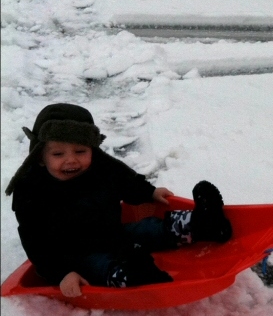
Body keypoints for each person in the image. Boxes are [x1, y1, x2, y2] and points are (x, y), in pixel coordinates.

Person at [5, 103, 232, 298]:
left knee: (148, 229)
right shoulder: (31, 189)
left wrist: (148, 192)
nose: (71, 160)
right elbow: (35, 241)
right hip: (74, 255)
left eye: (80, 151)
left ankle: (204, 222)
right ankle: (135, 275)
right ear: (40, 157)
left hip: (113, 233)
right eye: (58, 154)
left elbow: (125, 180)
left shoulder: (101, 167)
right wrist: (61, 274)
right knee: (100, 267)